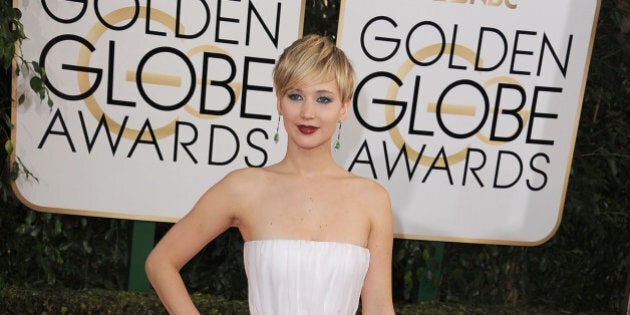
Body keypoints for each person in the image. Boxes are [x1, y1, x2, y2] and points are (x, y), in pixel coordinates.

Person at [145, 34, 395, 315]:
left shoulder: (372, 199)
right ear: (279, 102)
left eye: (323, 99)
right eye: (295, 96)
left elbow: (379, 305)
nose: (307, 112)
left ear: (344, 108)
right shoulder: (244, 188)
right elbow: (161, 262)